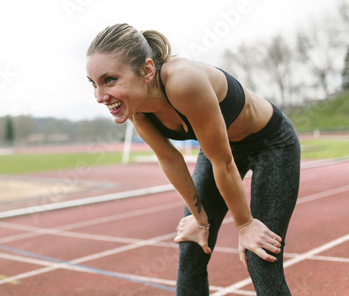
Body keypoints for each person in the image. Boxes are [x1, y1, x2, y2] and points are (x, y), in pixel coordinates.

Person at [85, 23, 300, 295]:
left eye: (110, 80)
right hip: (217, 149)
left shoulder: (183, 81)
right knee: (192, 245)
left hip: (271, 144)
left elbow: (223, 161)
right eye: (94, 83)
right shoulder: (137, 111)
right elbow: (171, 160)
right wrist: (200, 220)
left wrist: (245, 224)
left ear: (148, 71)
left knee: (260, 256)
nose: (100, 96)